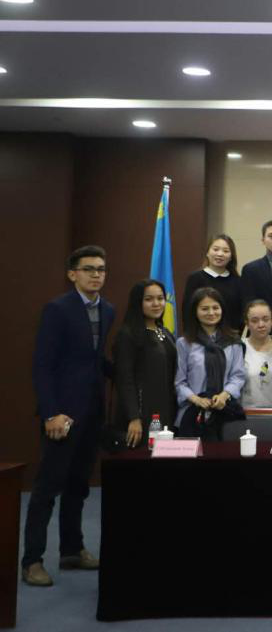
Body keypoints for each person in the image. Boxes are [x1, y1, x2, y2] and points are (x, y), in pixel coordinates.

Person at [24, 245, 115, 587]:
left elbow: (95, 359)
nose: (96, 275)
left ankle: (72, 550)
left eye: (101, 269)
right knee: (47, 489)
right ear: (72, 274)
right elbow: (43, 365)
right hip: (61, 414)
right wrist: (50, 413)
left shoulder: (108, 309)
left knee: (79, 485)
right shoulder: (57, 309)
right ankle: (32, 560)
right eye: (89, 269)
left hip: (92, 412)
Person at [174, 287, 246, 438]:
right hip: (192, 414)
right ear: (195, 311)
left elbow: (238, 376)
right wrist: (197, 400)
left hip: (225, 413)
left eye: (215, 307)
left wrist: (224, 395)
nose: (211, 313)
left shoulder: (233, 342)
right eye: (205, 309)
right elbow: (179, 382)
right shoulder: (184, 343)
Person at [112, 279, 177, 447]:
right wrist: (133, 417)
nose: (156, 304)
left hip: (166, 410)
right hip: (141, 414)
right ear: (137, 302)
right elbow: (124, 379)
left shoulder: (165, 332)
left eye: (160, 298)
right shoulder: (128, 335)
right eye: (149, 299)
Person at [182, 233, 244, 332]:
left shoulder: (238, 281)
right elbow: (187, 312)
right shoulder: (195, 278)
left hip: (231, 337)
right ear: (207, 252)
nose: (220, 254)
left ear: (231, 256)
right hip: (200, 336)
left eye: (225, 251)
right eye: (215, 249)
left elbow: (240, 314)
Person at [240, 299, 272, 410]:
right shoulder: (238, 348)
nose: (261, 325)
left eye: (265, 319)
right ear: (247, 323)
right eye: (254, 321)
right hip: (243, 413)